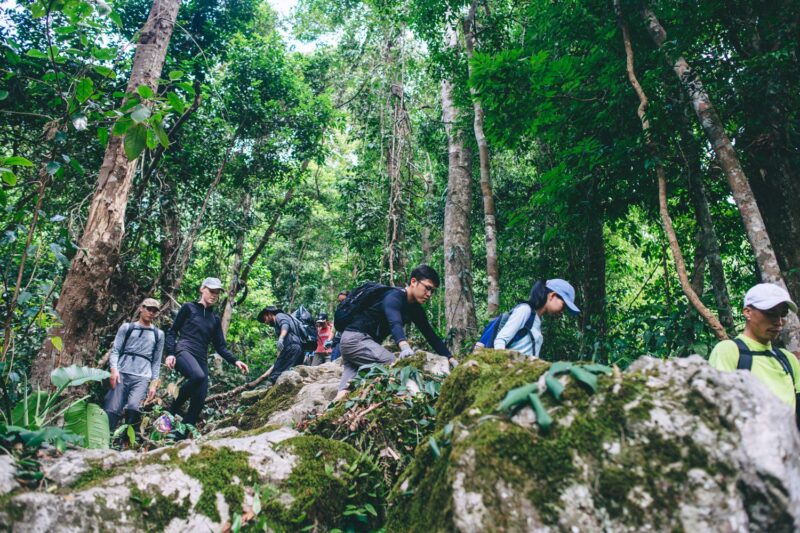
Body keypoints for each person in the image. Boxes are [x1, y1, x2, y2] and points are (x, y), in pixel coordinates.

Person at [335, 265, 457, 401]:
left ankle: (327, 418)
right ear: (413, 281)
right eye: (427, 288)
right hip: (356, 340)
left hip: (355, 344)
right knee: (398, 367)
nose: (429, 294)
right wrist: (404, 347)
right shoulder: (394, 296)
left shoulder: (415, 309)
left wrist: (451, 358)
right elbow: (395, 322)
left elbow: (431, 336)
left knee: (345, 391)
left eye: (432, 291)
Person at [165, 277, 249, 430]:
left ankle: (181, 435)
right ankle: (171, 410)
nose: (214, 295)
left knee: (200, 398)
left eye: (217, 292)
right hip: (184, 350)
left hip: (201, 357)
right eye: (211, 291)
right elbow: (172, 332)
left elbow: (220, 347)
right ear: (202, 289)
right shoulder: (188, 307)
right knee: (198, 376)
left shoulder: (214, 319)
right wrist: (170, 353)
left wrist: (236, 361)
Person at [709, 283, 800, 416]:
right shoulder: (729, 351)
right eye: (771, 314)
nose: (779, 322)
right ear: (748, 312)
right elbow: (716, 407)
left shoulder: (788, 359)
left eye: (783, 315)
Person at [103, 298, 165, 433]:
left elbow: (156, 361)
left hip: (142, 376)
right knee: (112, 408)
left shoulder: (158, 334)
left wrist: (153, 384)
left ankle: (125, 442)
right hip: (122, 373)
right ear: (141, 308)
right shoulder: (127, 327)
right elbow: (115, 351)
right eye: (149, 309)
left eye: (154, 311)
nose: (151, 313)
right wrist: (114, 370)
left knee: (133, 407)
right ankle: (106, 439)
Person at [493, 279, 581, 357]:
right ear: (552, 296)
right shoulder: (525, 310)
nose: (562, 311)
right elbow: (500, 340)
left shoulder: (537, 319)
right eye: (563, 305)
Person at [257, 305, 305, 385]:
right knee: (286, 372)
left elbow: (285, 325)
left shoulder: (279, 316)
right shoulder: (279, 321)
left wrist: (281, 338)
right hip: (295, 349)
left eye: (264, 319)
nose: (265, 322)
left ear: (269, 314)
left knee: (275, 374)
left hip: (292, 348)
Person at [330, 291, 348, 362]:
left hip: (349, 341)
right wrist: (329, 340)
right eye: (340, 301)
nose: (342, 303)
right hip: (338, 341)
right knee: (334, 362)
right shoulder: (338, 313)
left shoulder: (354, 311)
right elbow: (333, 330)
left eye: (344, 300)